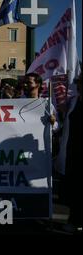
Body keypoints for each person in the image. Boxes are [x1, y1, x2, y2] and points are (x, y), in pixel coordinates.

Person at [62, 70, 82, 233]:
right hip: (74, 150)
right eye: (79, 83)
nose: (80, 85)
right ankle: (74, 220)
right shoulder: (75, 101)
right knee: (75, 187)